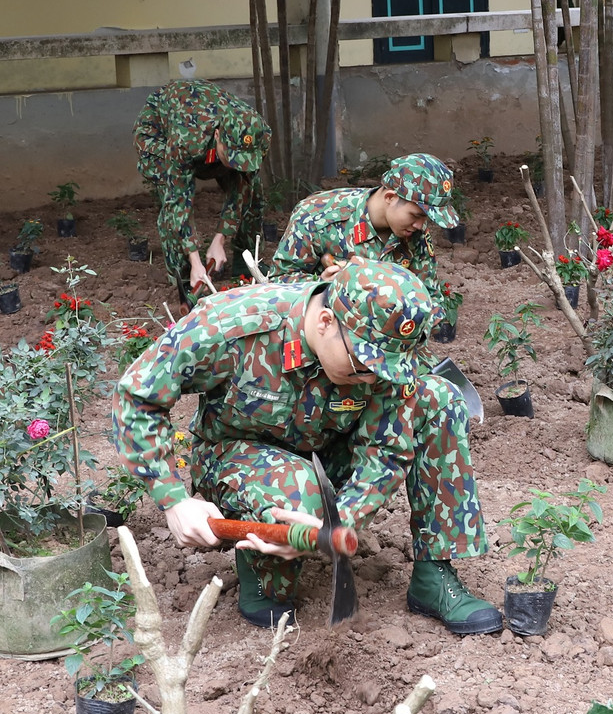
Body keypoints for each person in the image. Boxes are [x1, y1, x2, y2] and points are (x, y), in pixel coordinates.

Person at [112, 261, 501, 634]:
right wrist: (174, 498)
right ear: (326, 321)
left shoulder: (384, 346)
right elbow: (137, 395)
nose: (372, 377)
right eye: (362, 365)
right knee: (298, 489)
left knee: (439, 397)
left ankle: (435, 576)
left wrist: (342, 520)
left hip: (330, 450)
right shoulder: (234, 324)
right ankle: (265, 574)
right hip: (236, 455)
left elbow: (385, 450)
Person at [269, 153, 456, 325]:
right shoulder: (317, 216)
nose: (421, 226)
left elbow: (430, 298)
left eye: (426, 219)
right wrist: (322, 287)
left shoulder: (415, 232)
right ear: (390, 197)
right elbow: (279, 281)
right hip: (326, 335)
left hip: (390, 343)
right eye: (416, 215)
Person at [133, 79, 270, 307]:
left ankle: (245, 266)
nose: (238, 165)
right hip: (157, 132)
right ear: (217, 138)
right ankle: (187, 277)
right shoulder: (186, 140)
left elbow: (242, 185)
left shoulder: (258, 134)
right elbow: (179, 202)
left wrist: (220, 239)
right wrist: (196, 259)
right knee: (171, 198)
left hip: (204, 132)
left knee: (252, 193)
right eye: (232, 157)